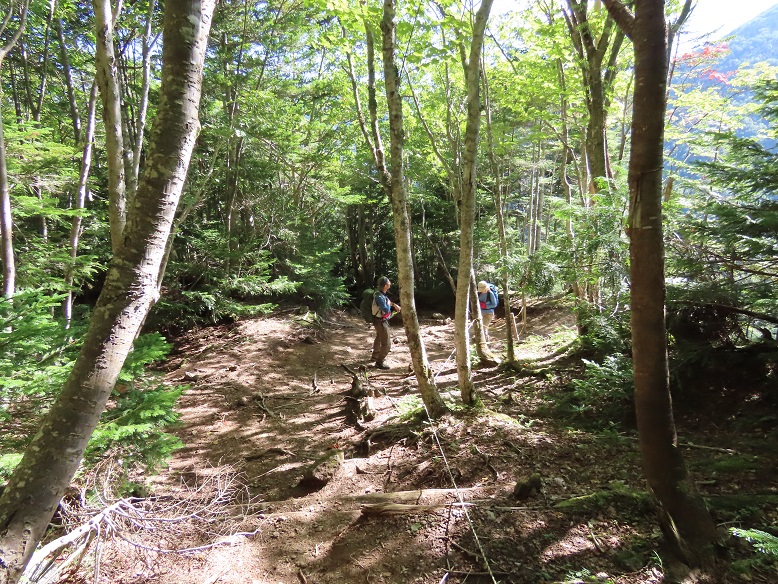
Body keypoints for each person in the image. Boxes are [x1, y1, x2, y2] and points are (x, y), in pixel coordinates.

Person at [371, 276, 401, 369]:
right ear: (385, 285)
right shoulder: (379, 297)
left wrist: (394, 305)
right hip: (381, 322)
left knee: (379, 338)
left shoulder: (380, 294)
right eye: (389, 282)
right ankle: (379, 362)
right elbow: (385, 309)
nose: (390, 283)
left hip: (378, 321)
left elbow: (387, 301)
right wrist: (389, 306)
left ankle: (375, 356)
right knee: (387, 344)